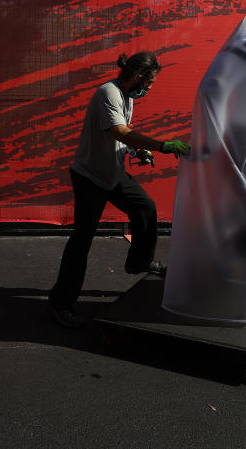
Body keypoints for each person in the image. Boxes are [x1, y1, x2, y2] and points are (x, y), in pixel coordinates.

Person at [48, 51, 191, 328]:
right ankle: (60, 303)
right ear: (138, 77)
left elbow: (126, 131)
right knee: (82, 241)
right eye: (149, 83)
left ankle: (139, 262)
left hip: (112, 174)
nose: (149, 88)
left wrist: (139, 150)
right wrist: (161, 146)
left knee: (145, 208)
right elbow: (120, 132)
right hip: (90, 177)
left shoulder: (125, 96)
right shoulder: (108, 93)